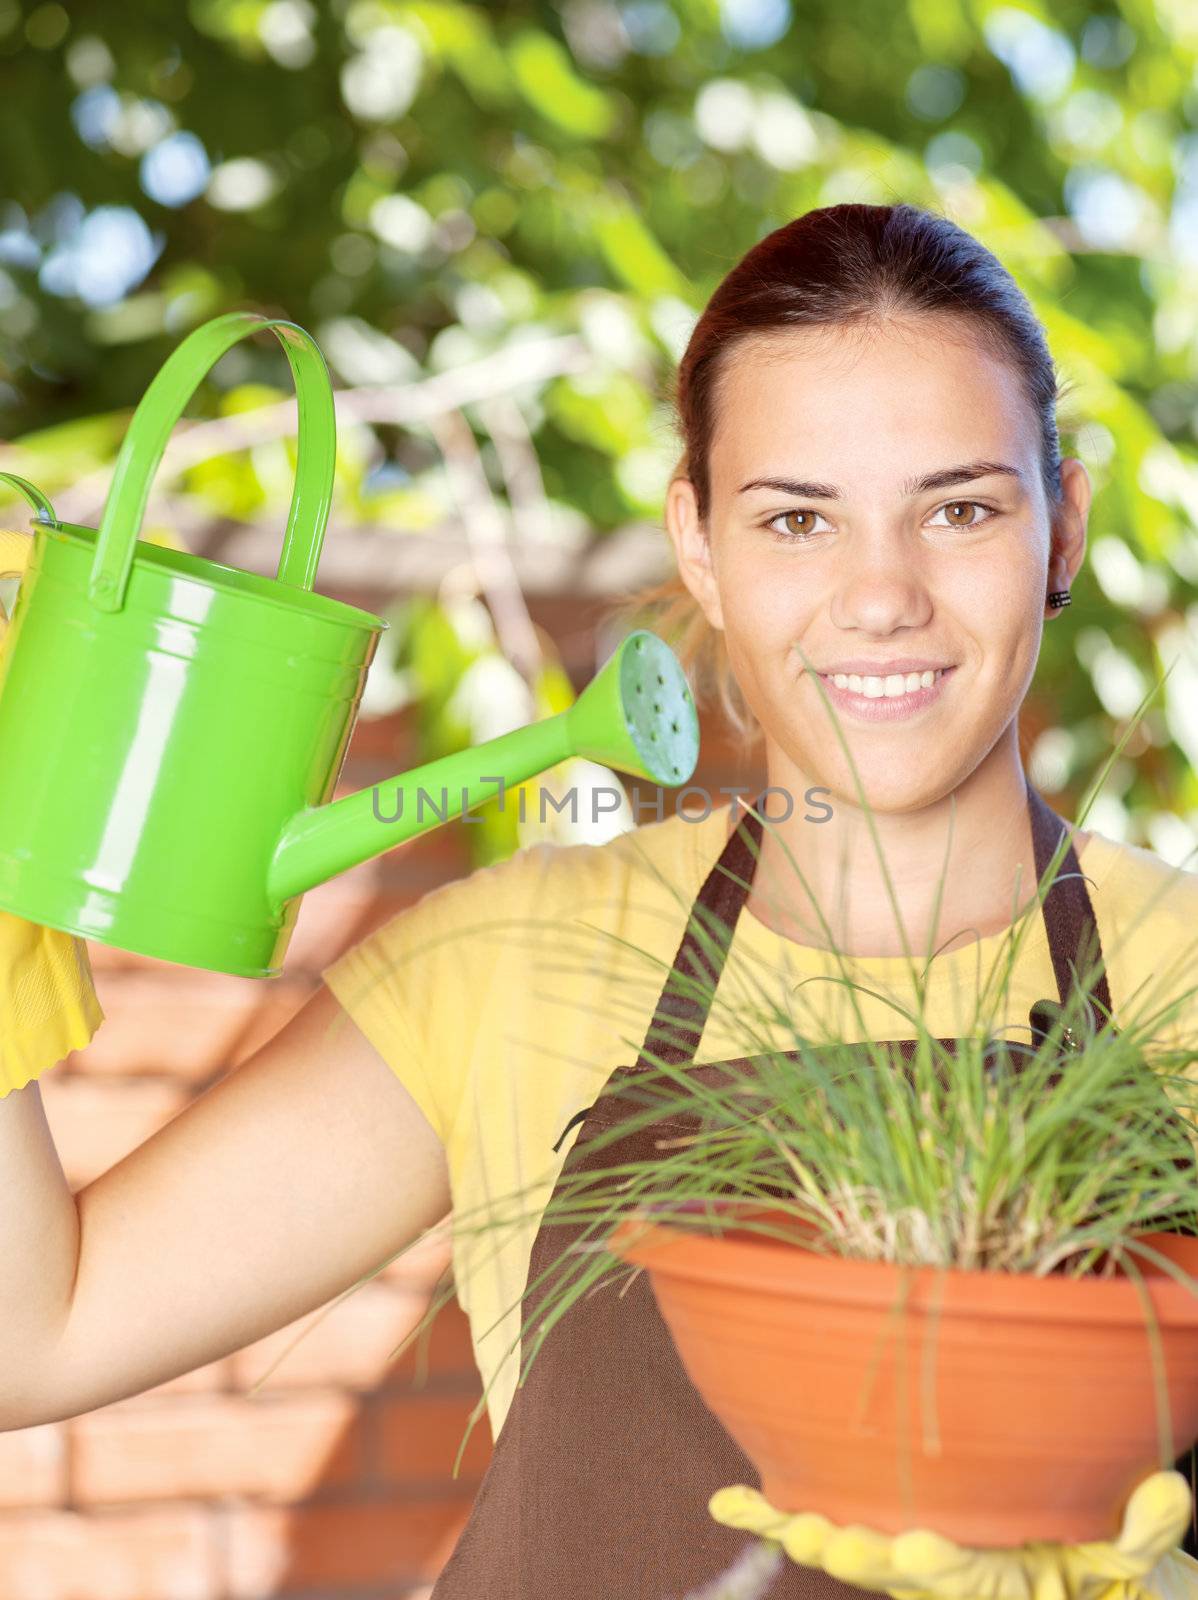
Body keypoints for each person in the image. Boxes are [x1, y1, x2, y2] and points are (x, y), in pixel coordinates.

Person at [2, 202, 1197, 1600]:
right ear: (698, 546)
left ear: (1061, 528)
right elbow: (37, 1335)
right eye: (796, 518)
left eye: (959, 508)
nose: (881, 597)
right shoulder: (514, 960)